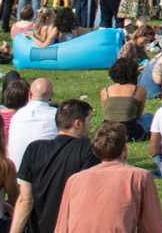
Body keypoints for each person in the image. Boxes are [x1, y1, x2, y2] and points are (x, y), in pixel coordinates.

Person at [56, 122, 162, 232]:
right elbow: (154, 228)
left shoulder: (75, 180)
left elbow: (61, 228)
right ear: (125, 150)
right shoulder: (139, 176)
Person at [10, 99, 97, 233]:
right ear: (78, 124)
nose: (90, 127)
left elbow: (25, 199)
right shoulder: (88, 150)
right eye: (89, 120)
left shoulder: (34, 149)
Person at [7, 79, 60, 169]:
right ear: (51, 96)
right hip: (44, 174)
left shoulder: (17, 116)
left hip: (15, 172)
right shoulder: (56, 115)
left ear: (29, 94)